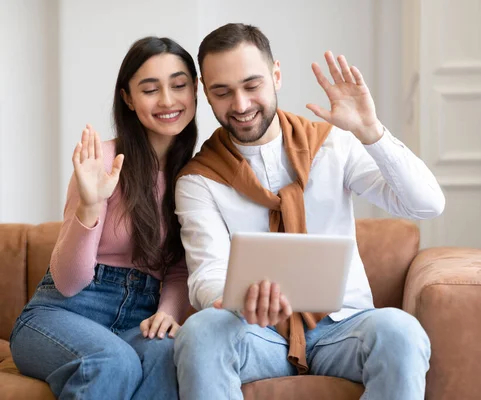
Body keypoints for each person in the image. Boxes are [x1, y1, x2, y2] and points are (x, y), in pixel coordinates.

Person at [174, 23, 445, 400]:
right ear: (205, 91)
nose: (240, 105)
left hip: (345, 327)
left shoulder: (333, 145)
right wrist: (238, 298)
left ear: (277, 75)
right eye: (222, 92)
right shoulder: (198, 180)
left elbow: (427, 204)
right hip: (256, 332)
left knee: (402, 331)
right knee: (201, 332)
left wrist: (372, 133)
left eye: (252, 86)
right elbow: (206, 275)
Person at [9, 36, 198, 399]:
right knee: (113, 361)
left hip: (138, 320)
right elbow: (68, 282)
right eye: (149, 89)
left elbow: (178, 267)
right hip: (62, 315)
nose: (168, 100)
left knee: (168, 355)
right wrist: (90, 207)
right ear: (127, 97)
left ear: (194, 90)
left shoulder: (194, 176)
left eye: (179, 85)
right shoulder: (102, 163)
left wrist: (169, 311)